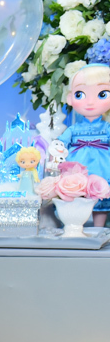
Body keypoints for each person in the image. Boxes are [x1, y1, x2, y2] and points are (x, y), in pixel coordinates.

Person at [61, 63, 110, 228]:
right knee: (75, 192)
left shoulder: (106, 128)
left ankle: (99, 228)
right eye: (80, 94)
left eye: (102, 94)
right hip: (77, 167)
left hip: (103, 166)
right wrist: (56, 151)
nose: (90, 102)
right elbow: (60, 142)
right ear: (70, 98)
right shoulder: (74, 129)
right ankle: (75, 225)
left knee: (101, 193)